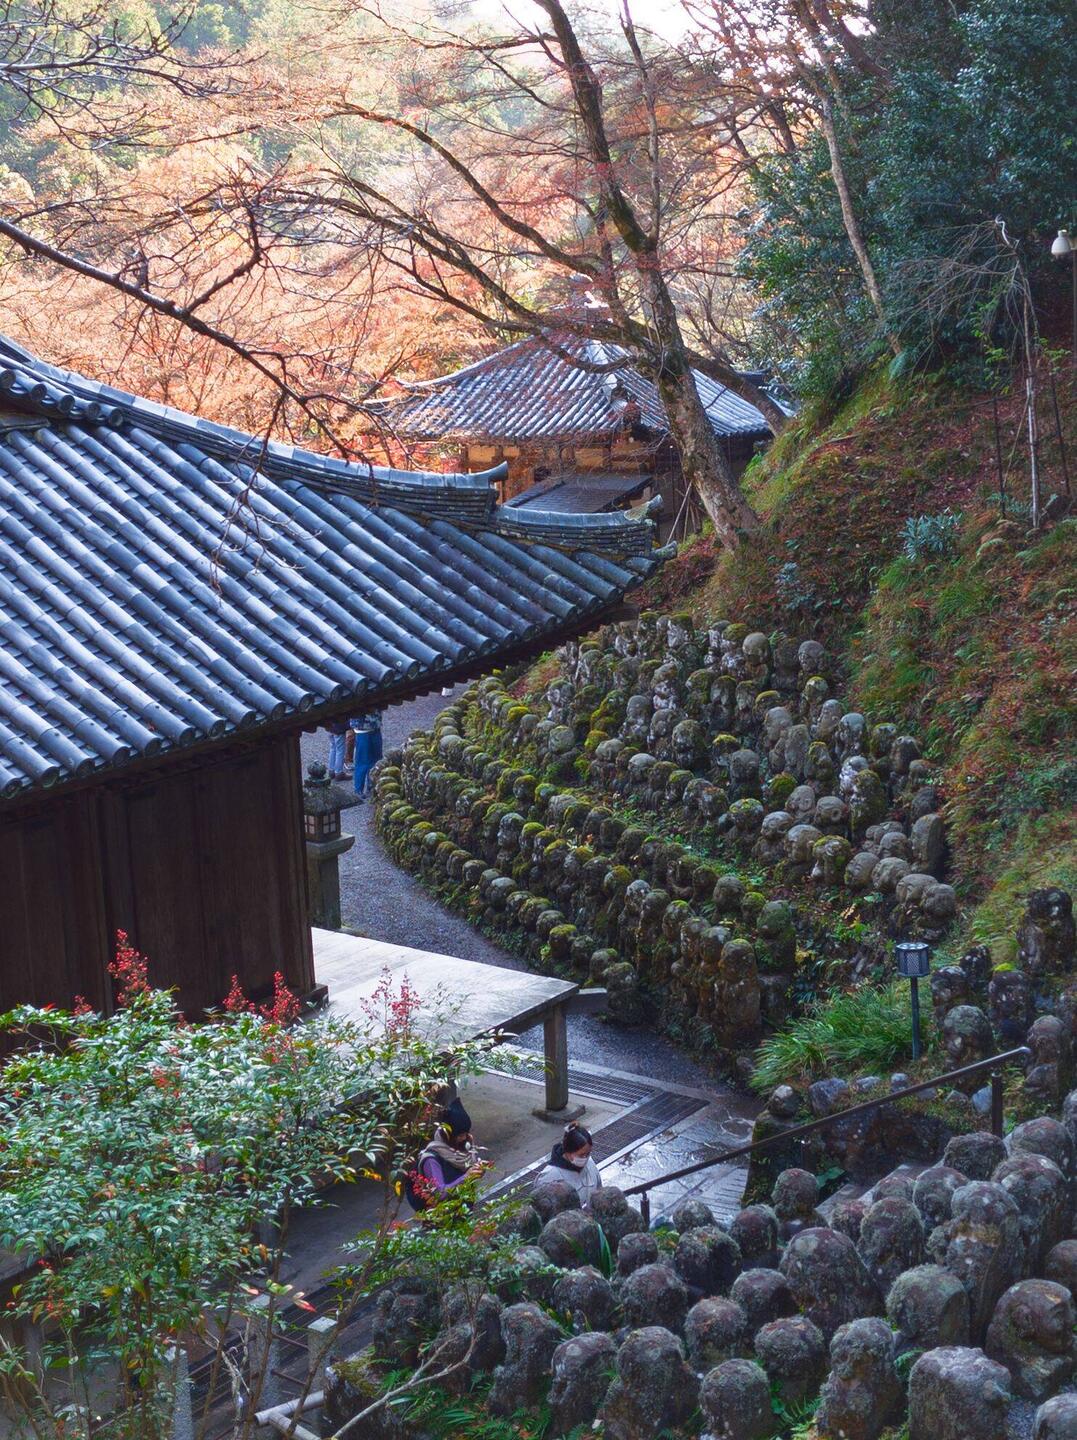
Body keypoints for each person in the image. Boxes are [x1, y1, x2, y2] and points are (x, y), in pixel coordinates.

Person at [404, 1098, 488, 1212]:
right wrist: (467, 1177)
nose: (464, 1138)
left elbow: (467, 1166)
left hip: (464, 1209)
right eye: (459, 1135)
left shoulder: (463, 1146)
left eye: (465, 1133)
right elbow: (440, 1194)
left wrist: (478, 1169)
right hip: (444, 1220)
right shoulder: (431, 1160)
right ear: (447, 1135)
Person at [533, 1123, 602, 1210]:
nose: (585, 1158)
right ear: (568, 1152)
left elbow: (599, 1190)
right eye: (581, 1155)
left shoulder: (590, 1163)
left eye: (588, 1154)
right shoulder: (548, 1178)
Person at [351, 710, 383, 799]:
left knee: (376, 761)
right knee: (363, 762)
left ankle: (371, 785)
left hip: (375, 726)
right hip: (362, 729)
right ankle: (358, 789)